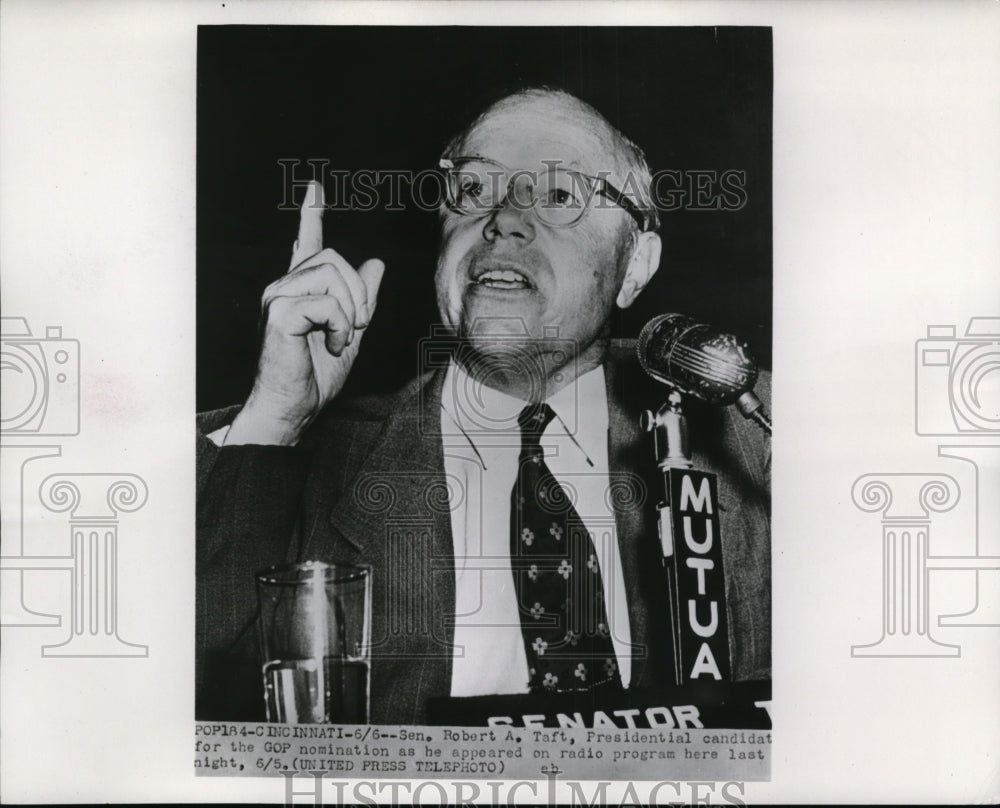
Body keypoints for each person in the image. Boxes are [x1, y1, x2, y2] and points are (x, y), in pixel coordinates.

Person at [196, 87, 770, 724]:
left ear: (635, 264)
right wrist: (278, 416)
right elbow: (175, 701)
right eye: (473, 188)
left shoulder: (756, 433)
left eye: (559, 194)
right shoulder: (273, 454)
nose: (504, 220)